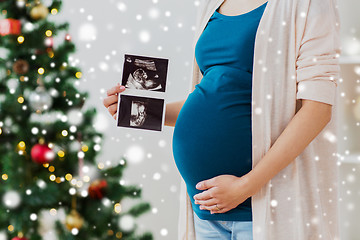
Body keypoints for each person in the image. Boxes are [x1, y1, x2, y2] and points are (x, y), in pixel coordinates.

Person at [103, 0, 341, 239]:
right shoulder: (212, 4)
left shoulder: (307, 4)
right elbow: (215, 93)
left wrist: (245, 186)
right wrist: (141, 111)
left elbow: (317, 110)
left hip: (262, 211)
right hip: (206, 212)